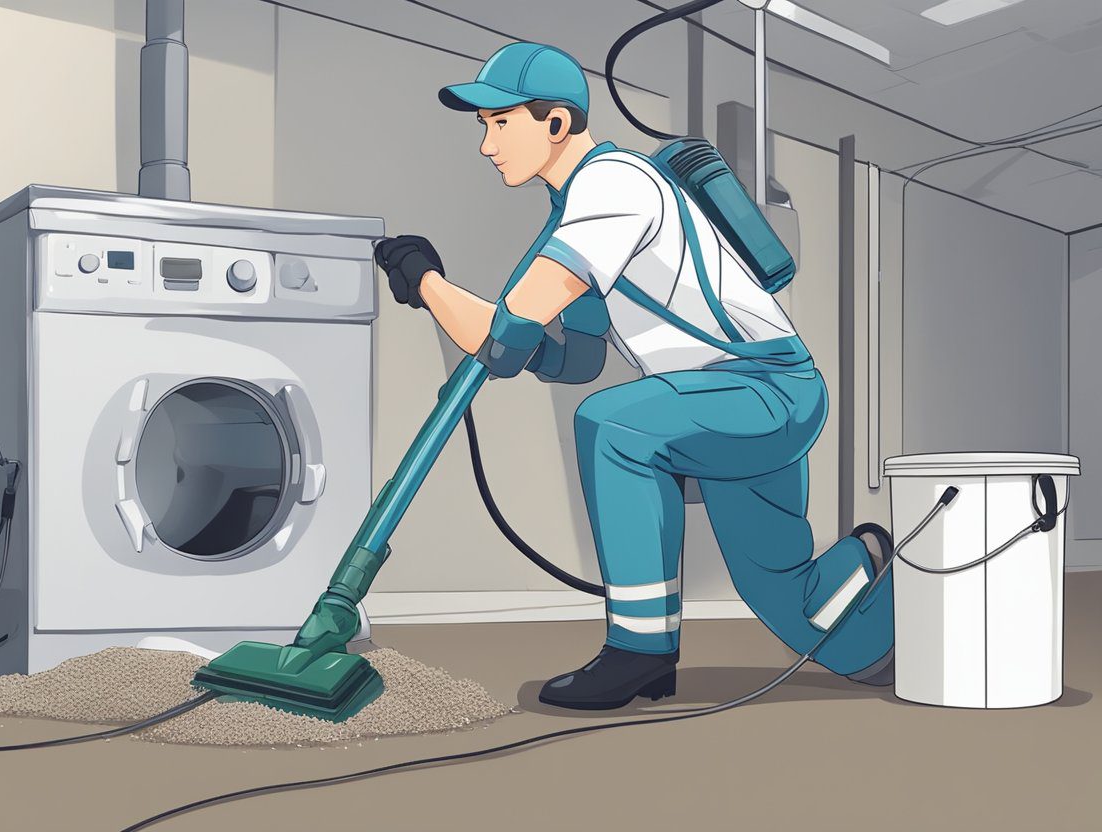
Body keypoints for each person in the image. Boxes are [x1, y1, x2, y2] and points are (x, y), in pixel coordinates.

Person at [374, 42, 895, 711]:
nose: (487, 144)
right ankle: (866, 566)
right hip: (730, 402)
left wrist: (426, 281)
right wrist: (451, 298)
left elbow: (502, 343)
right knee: (792, 604)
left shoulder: (612, 188)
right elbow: (573, 360)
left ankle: (640, 651)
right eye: (484, 127)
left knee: (613, 426)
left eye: (500, 123)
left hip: (764, 389)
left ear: (557, 123)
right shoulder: (577, 212)